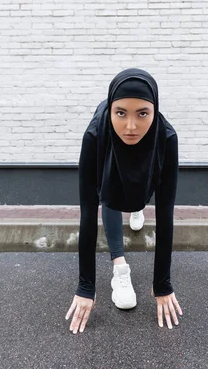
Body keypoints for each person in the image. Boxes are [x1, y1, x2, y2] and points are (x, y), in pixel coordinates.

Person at [65, 68, 183, 334]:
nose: (131, 126)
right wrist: (87, 286)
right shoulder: (95, 136)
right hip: (111, 159)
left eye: (143, 113)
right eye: (120, 113)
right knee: (113, 193)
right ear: (111, 111)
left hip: (147, 162)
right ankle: (120, 266)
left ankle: (136, 205)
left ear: (155, 110)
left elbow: (165, 213)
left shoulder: (166, 137)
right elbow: (88, 213)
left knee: (138, 194)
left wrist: (161, 283)